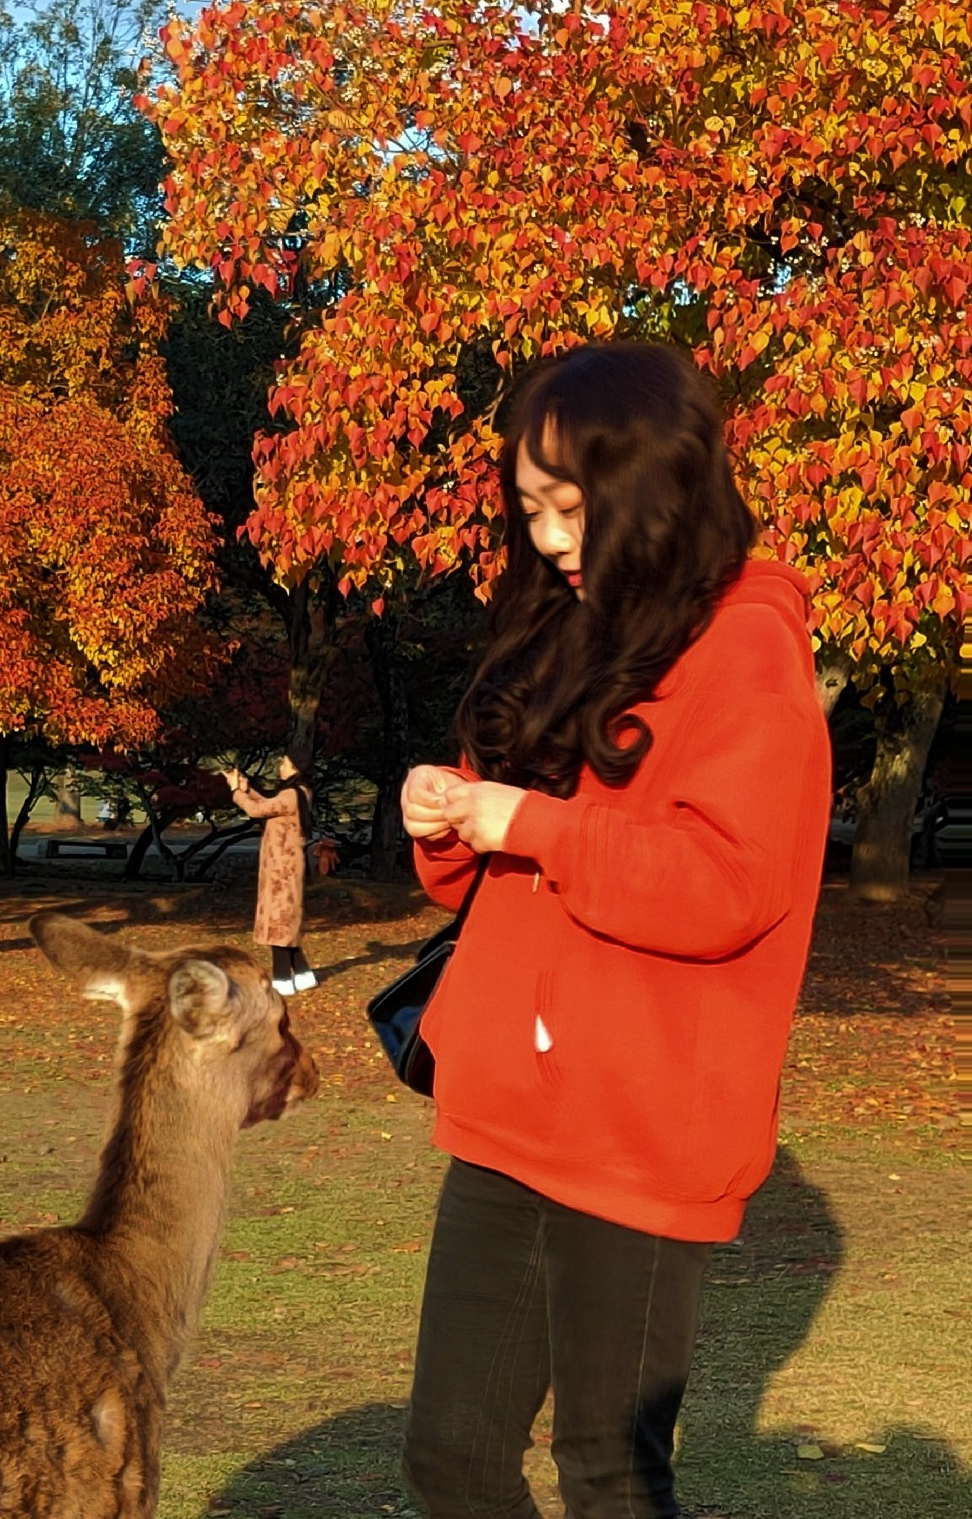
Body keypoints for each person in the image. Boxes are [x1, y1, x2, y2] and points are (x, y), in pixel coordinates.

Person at [397, 341, 830, 1519]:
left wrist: (528, 822)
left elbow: (727, 884)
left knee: (609, 1471)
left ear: (653, 485)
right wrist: (449, 820)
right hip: (505, 1115)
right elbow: (480, 882)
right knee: (449, 1457)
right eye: (530, 509)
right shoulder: (572, 625)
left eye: (569, 507)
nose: (546, 539)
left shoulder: (747, 646)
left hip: (640, 1135)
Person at [221, 755, 318, 995]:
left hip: (282, 869)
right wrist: (248, 789)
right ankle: (304, 975)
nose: (280, 768)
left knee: (279, 922)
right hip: (284, 866)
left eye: (284, 764)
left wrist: (236, 791)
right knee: (284, 921)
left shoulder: (290, 795)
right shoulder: (299, 793)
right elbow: (267, 806)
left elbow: (257, 810)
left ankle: (283, 978)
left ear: (295, 767)